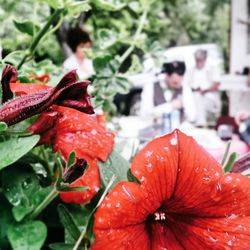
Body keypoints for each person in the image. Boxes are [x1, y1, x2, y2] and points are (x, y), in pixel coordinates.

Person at [186, 49, 221, 127]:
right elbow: (188, 85)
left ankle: (200, 123)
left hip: (209, 96)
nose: (198, 62)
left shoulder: (212, 68)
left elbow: (216, 85)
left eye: (200, 60)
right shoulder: (191, 70)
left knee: (199, 98)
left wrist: (205, 90)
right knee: (193, 98)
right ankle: (195, 121)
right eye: (197, 60)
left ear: (205, 59)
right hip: (194, 95)